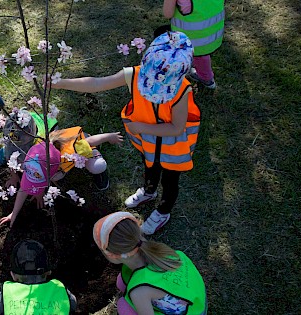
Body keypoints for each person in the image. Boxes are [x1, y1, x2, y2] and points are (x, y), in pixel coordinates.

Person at [51, 31, 201, 235]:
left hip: (173, 148)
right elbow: (96, 83)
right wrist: (59, 82)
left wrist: (142, 128)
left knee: (170, 180)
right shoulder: (134, 74)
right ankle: (149, 191)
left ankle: (163, 211)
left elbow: (176, 127)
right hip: (148, 142)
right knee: (150, 165)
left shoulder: (182, 90)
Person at [93, 212, 207, 315]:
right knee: (122, 282)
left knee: (124, 306)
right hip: (197, 300)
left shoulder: (139, 292)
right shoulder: (163, 252)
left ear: (111, 255)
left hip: (194, 312)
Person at [0, 109, 124, 191]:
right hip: (35, 132)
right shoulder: (14, 129)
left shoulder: (54, 144)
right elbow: (11, 157)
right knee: (7, 157)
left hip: (70, 138)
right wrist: (14, 176)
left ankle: (92, 149)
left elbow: (84, 143)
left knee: (97, 165)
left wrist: (109, 136)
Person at [0, 239, 77, 314]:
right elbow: (73, 304)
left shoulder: (9, 292)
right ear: (49, 272)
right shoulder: (59, 288)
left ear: (13, 275)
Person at [162, 0, 224, 89]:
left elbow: (167, 13)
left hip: (193, 37)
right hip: (212, 31)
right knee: (202, 54)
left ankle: (206, 78)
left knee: (199, 57)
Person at [0, 141, 60, 227]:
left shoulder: (60, 165)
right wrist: (13, 213)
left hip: (58, 167)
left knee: (58, 177)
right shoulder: (32, 161)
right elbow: (23, 189)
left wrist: (39, 192)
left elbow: (44, 180)